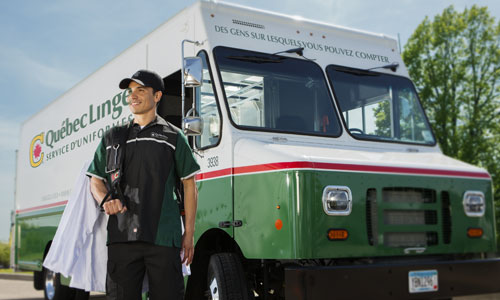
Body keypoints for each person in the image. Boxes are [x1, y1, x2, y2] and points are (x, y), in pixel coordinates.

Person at [87, 69, 200, 300]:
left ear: (157, 96)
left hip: (163, 237)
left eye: (140, 90)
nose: (133, 96)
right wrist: (105, 200)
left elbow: (190, 184)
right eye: (130, 91)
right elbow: (95, 179)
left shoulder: (174, 136)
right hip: (122, 236)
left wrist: (189, 234)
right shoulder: (112, 137)